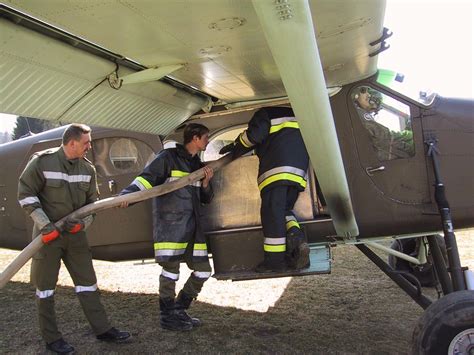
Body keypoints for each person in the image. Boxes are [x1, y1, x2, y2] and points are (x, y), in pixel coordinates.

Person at [17, 124, 130, 354]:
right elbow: (26, 195)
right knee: (45, 290)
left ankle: (103, 329)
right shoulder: (42, 162)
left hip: (76, 237)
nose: (90, 147)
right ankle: (52, 338)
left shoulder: (88, 169)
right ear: (71, 143)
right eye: (86, 143)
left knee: (88, 284)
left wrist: (83, 224)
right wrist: (44, 225)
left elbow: (92, 205)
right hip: (48, 238)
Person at [120, 123, 214, 331]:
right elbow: (146, 179)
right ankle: (167, 316)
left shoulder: (197, 164)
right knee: (171, 272)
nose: (208, 141)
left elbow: (206, 199)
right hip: (171, 226)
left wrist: (206, 184)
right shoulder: (168, 158)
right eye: (206, 137)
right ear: (195, 139)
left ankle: (179, 309)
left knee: (203, 270)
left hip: (193, 228)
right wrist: (128, 196)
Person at [219, 106, 310, 273]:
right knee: (284, 211)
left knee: (271, 215)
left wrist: (236, 145)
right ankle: (297, 240)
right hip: (298, 173)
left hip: (276, 171)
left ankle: (275, 262)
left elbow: (252, 137)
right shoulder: (297, 113)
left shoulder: (264, 114)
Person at [353, 86, 414, 160]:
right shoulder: (360, 113)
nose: (368, 95)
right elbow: (385, 136)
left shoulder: (358, 112)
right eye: (364, 91)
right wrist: (409, 135)